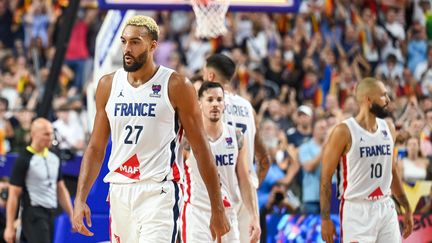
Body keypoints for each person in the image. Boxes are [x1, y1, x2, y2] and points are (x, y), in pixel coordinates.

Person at [72, 15, 230, 242]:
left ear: (153, 45)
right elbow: (96, 147)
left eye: (135, 42)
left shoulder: (176, 85)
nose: (127, 48)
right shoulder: (108, 85)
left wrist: (217, 207)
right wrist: (80, 198)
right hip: (119, 190)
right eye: (124, 41)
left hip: (159, 192)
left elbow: (201, 148)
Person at [320, 77, 413, 243]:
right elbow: (326, 178)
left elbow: (392, 170)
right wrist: (325, 219)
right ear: (368, 99)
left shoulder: (388, 128)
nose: (388, 100)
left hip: (385, 205)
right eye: (384, 95)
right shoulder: (344, 131)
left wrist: (406, 206)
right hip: (356, 210)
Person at [203, 53, 270, 243]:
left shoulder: (206, 106)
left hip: (219, 192)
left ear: (210, 77)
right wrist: (253, 183)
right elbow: (264, 158)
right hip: (246, 193)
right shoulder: (248, 107)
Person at [181, 81, 260, 242]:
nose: (215, 104)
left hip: (228, 214)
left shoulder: (237, 136)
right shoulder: (188, 138)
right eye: (210, 100)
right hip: (198, 213)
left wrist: (254, 215)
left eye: (219, 99)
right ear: (199, 104)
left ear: (224, 104)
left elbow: (244, 179)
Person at [3, 118, 74, 243]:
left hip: (51, 212)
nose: (50, 137)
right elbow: (13, 194)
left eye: (51, 133)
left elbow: (61, 188)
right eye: (46, 134)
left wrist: (72, 215)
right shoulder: (24, 159)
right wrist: (9, 226)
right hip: (33, 213)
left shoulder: (54, 157)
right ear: (34, 134)